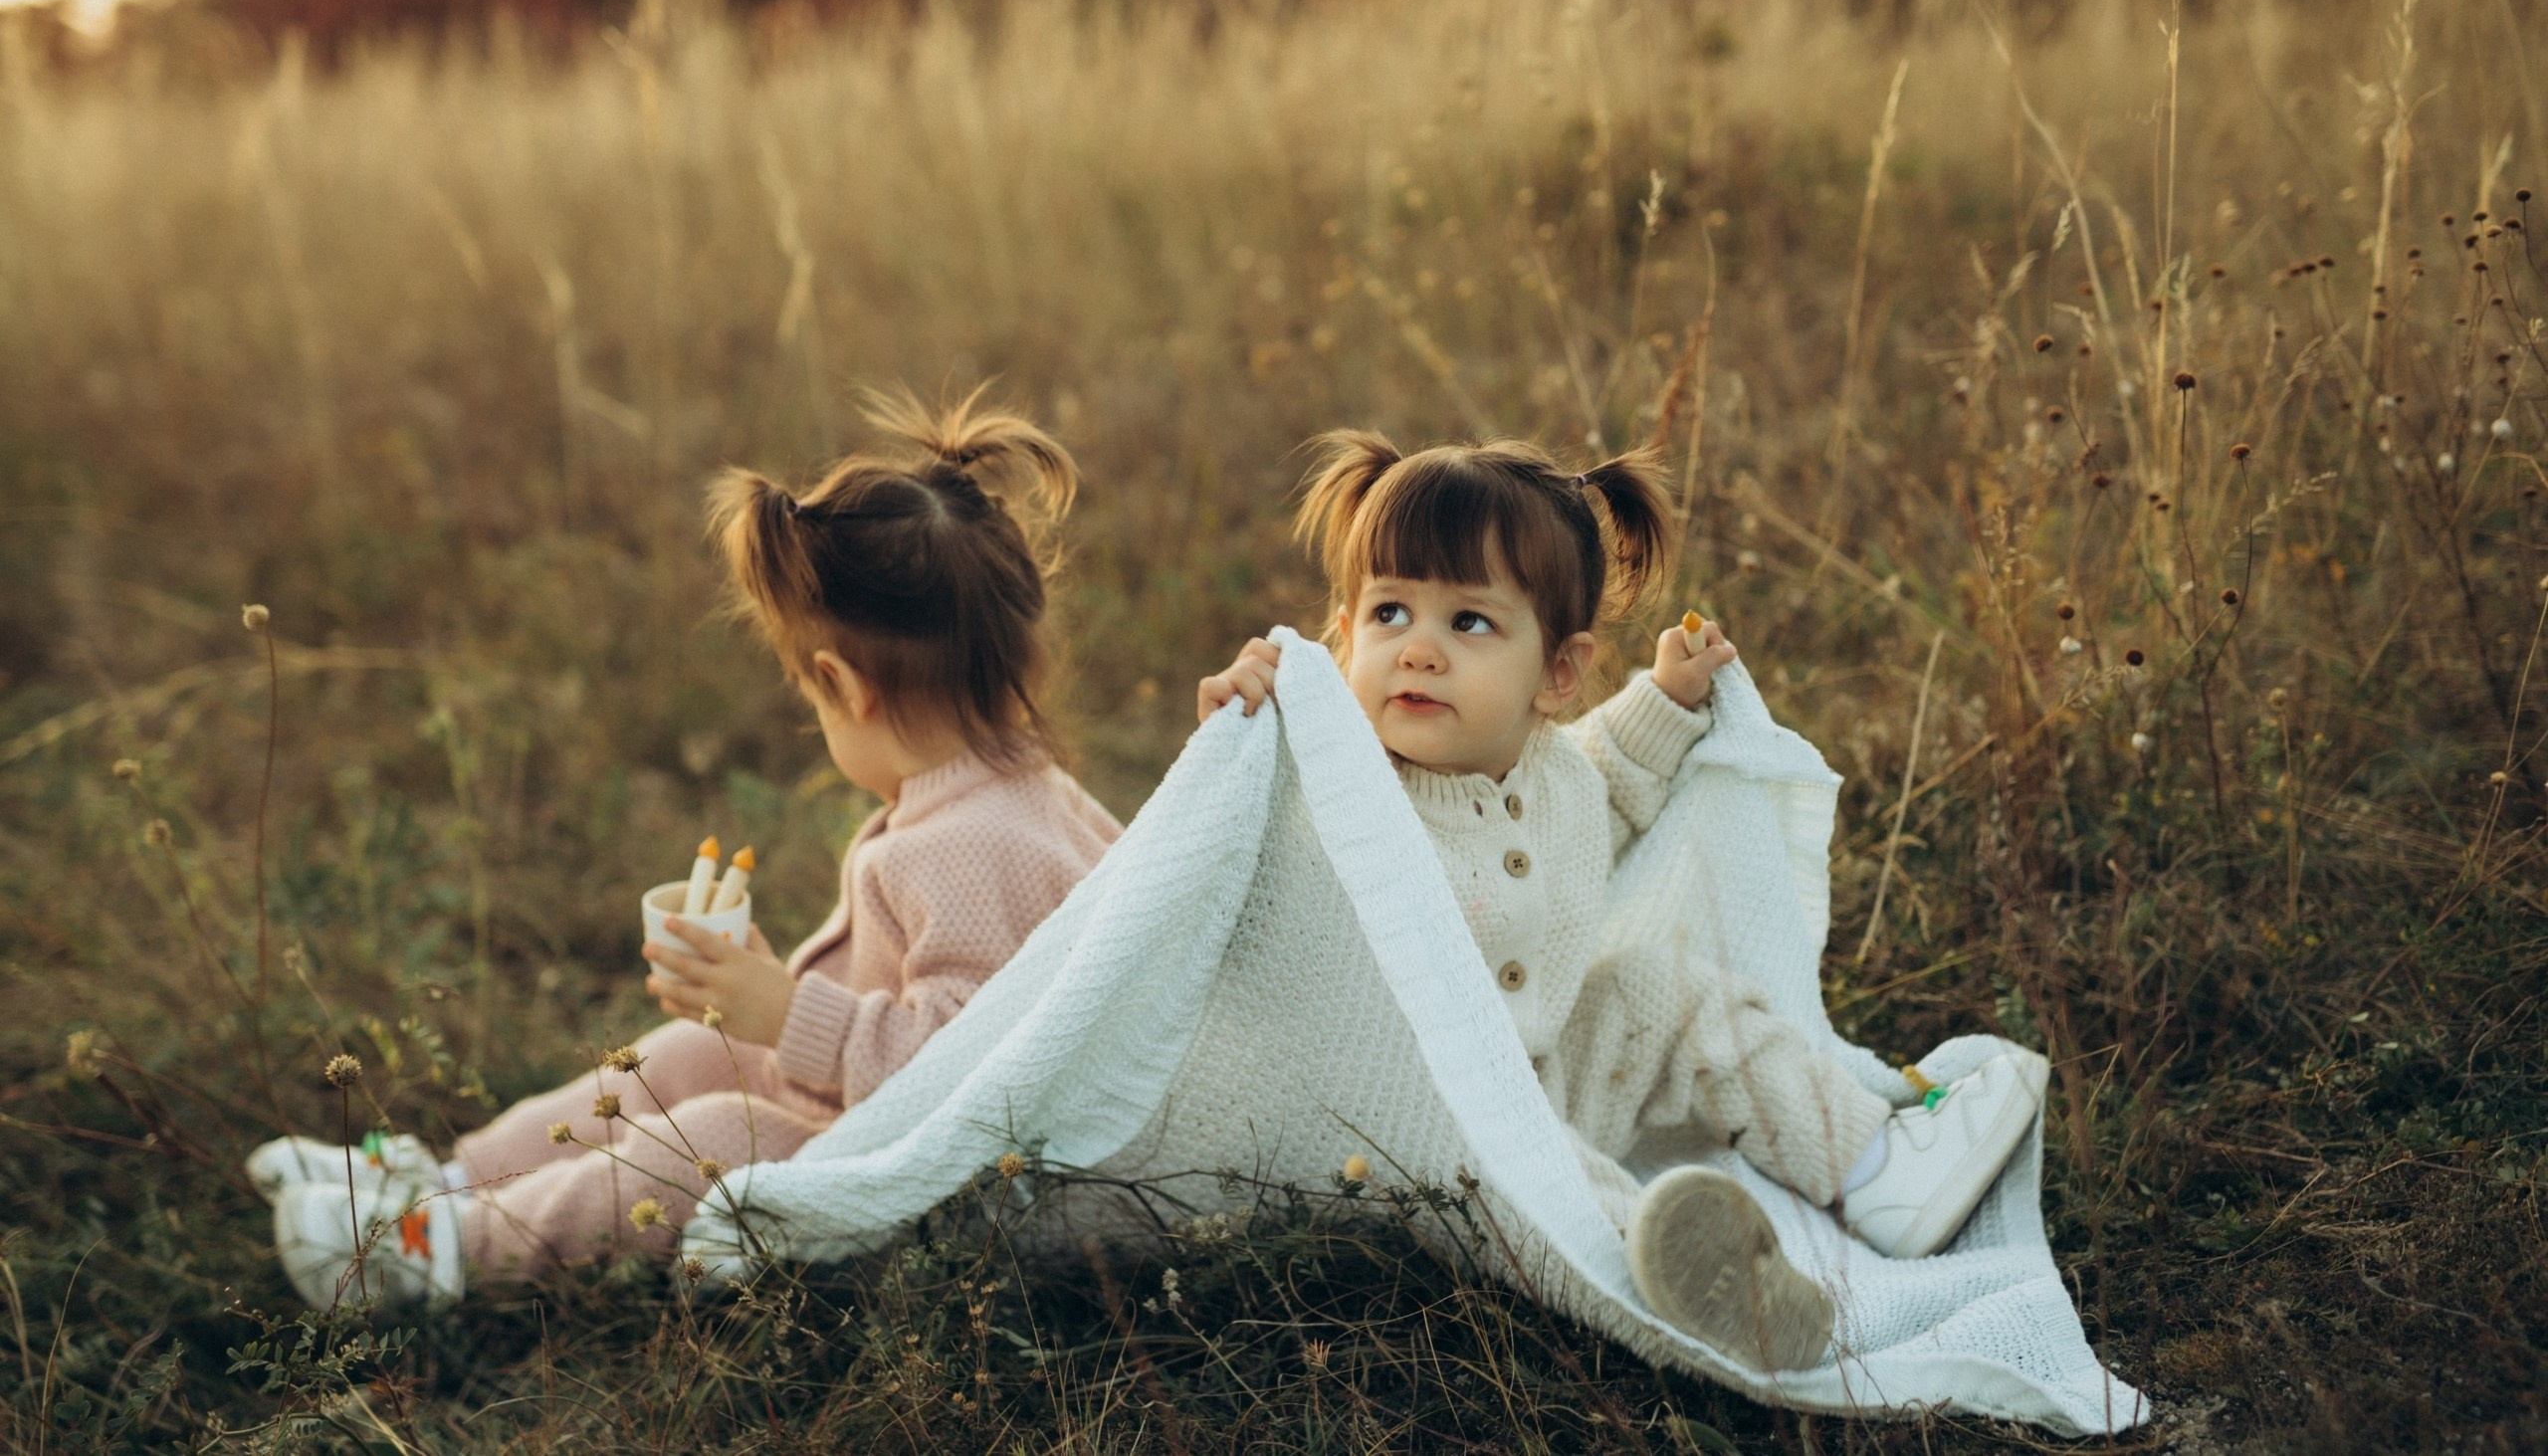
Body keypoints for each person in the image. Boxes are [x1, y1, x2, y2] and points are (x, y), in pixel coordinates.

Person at [251, 389, 1122, 1310]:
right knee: (681, 1059)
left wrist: (791, 1013)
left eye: (809, 694)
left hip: (938, 1184)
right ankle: (437, 1179)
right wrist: (767, 999)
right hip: (875, 1120)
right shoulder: (1010, 795)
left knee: (717, 1132)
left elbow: (971, 1074)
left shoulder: (968, 844)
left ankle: (447, 1249)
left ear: (840, 684)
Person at [1196, 431, 2045, 1372]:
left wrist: (1672, 699)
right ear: (1343, 637)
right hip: (1394, 1146)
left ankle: (1876, 1170)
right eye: (1389, 611)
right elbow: (1247, 868)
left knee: (1658, 991)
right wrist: (1243, 739)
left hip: (1547, 1083)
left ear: (1557, 673)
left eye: (1468, 622)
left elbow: (1612, 777)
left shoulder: (1555, 776)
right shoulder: (1335, 787)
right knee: (1549, 1185)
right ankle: (1686, 1287)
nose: (1420, 651)